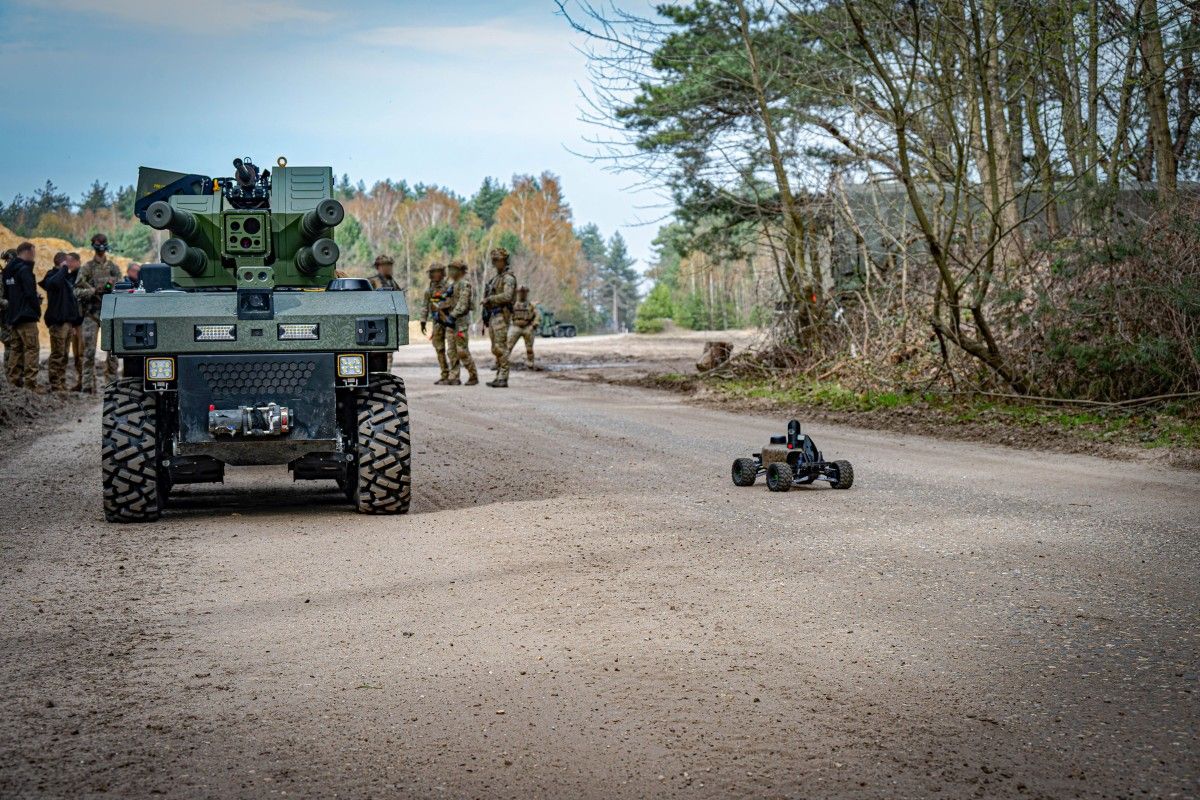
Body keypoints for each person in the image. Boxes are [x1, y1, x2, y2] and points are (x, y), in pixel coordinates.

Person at [74, 233, 123, 392]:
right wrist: (93, 291)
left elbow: (123, 289)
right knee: (88, 353)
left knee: (113, 353)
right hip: (92, 314)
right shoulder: (87, 268)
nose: (101, 247)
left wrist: (111, 286)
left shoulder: (113, 268)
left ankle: (112, 385)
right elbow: (76, 291)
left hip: (110, 314)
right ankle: (88, 386)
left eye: (102, 244)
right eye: (98, 244)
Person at [41, 251, 85, 393]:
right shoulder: (52, 275)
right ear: (62, 262)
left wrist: (73, 323)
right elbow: (53, 283)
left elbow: (71, 302)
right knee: (57, 354)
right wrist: (64, 268)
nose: (69, 265)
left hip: (67, 322)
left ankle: (61, 382)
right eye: (67, 262)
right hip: (58, 323)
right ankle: (55, 384)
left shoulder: (65, 278)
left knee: (65, 355)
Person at [2, 242, 42, 390]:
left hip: (13, 316)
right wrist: (36, 310)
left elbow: (7, 294)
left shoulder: (7, 271)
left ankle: (14, 382)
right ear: (28, 252)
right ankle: (30, 384)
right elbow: (30, 294)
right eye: (33, 253)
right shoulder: (25, 270)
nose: (34, 256)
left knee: (16, 349)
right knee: (32, 349)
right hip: (26, 317)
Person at [481, 247, 517, 388]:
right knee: (495, 348)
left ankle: (503, 377)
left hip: (502, 315)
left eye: (498, 260)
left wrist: (490, 299)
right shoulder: (496, 278)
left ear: (505, 260)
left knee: (500, 347)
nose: (495, 263)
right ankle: (499, 376)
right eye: (494, 260)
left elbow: (507, 296)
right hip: (493, 315)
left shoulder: (508, 278)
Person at [442, 260, 478, 386]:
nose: (450, 272)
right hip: (451, 322)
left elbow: (463, 303)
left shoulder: (464, 284)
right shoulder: (452, 285)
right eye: (449, 269)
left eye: (453, 269)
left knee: (462, 350)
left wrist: (453, 315)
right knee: (451, 351)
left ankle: (473, 375)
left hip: (460, 322)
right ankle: (454, 376)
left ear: (460, 271)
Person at [418, 263, 452, 384]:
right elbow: (425, 306)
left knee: (452, 349)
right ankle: (444, 374)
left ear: (442, 273)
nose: (436, 274)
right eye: (433, 272)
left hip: (449, 321)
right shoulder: (429, 290)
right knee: (439, 348)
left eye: (438, 271)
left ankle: (454, 375)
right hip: (437, 322)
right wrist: (423, 321)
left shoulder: (449, 287)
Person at [506, 285, 540, 371]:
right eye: (520, 292)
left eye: (524, 292)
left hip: (527, 327)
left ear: (527, 293)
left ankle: (530, 363)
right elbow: (506, 314)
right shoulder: (512, 304)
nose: (522, 294)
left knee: (529, 348)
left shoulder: (531, 305)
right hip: (515, 326)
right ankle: (502, 362)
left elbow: (537, 315)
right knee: (508, 346)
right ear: (517, 293)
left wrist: (534, 325)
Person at [0, 248, 14, 377]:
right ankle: (9, 376)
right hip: (6, 318)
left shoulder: (15, 276)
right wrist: (11, 303)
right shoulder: (2, 277)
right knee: (10, 346)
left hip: (16, 318)